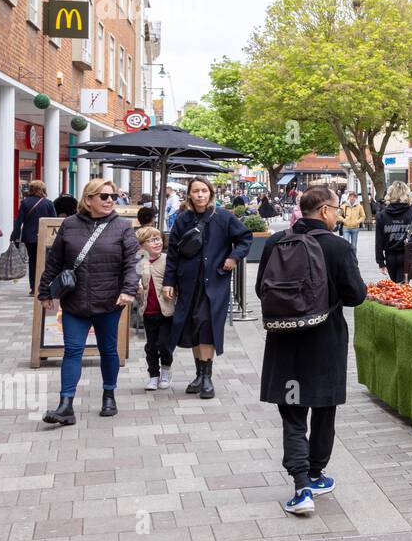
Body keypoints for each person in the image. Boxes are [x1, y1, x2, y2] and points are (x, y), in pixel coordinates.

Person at [257, 185, 367, 516]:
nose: (338, 214)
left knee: (292, 413)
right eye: (335, 209)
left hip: (286, 340)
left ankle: (301, 486)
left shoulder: (277, 242)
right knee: (323, 408)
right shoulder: (338, 247)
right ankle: (316, 474)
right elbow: (356, 295)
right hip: (325, 341)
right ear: (323, 211)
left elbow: (262, 286)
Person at [38, 178, 139, 425]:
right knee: (72, 350)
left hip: (109, 300)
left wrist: (128, 290)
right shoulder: (70, 225)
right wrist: (44, 292)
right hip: (75, 300)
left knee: (108, 349)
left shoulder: (122, 226)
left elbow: (133, 262)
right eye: (103, 196)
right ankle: (65, 405)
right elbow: (54, 262)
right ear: (88, 199)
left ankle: (108, 395)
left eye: (112, 197)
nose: (109, 201)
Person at [163, 177, 252, 400]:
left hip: (215, 282)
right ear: (190, 195)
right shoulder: (183, 219)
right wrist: (168, 281)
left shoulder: (223, 217)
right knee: (192, 326)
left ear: (210, 193)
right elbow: (173, 253)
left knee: (206, 325)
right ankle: (199, 375)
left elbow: (245, 238)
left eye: (204, 190)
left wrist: (233, 257)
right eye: (196, 191)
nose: (200, 195)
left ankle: (207, 377)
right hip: (188, 283)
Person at [134, 226, 175, 391]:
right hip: (148, 312)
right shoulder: (140, 262)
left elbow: (175, 280)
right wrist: (136, 286)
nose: (157, 242)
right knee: (151, 347)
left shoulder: (168, 260)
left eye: (158, 239)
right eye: (151, 240)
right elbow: (135, 279)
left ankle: (165, 371)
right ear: (142, 246)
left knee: (164, 345)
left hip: (166, 311)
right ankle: (153, 376)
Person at [374, 181, 412, 282]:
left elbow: (379, 241)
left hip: (390, 256)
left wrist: (381, 262)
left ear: (390, 195)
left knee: (396, 288)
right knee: (402, 289)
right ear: (407, 194)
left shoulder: (381, 215)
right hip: (407, 256)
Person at [13, 181, 57, 295]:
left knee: (33, 261)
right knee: (46, 262)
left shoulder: (25, 203)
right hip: (45, 236)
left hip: (29, 237)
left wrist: (15, 236)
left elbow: (19, 221)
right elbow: (54, 221)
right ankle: (45, 286)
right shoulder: (48, 203)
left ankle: (33, 288)